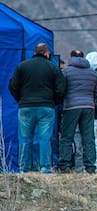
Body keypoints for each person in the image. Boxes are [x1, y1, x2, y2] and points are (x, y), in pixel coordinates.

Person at [9, 43, 65, 173]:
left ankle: (24, 168)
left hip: (26, 107)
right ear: (47, 53)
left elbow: (12, 86)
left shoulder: (22, 66)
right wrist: (54, 102)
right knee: (44, 138)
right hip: (46, 107)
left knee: (24, 138)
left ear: (34, 53)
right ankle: (45, 168)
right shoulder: (53, 67)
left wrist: (20, 100)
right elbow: (61, 89)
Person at [59, 50, 97, 174]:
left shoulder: (66, 72)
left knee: (67, 137)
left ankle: (65, 166)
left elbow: (61, 90)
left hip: (71, 107)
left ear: (71, 57)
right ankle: (90, 166)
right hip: (88, 107)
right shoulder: (92, 73)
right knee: (89, 138)